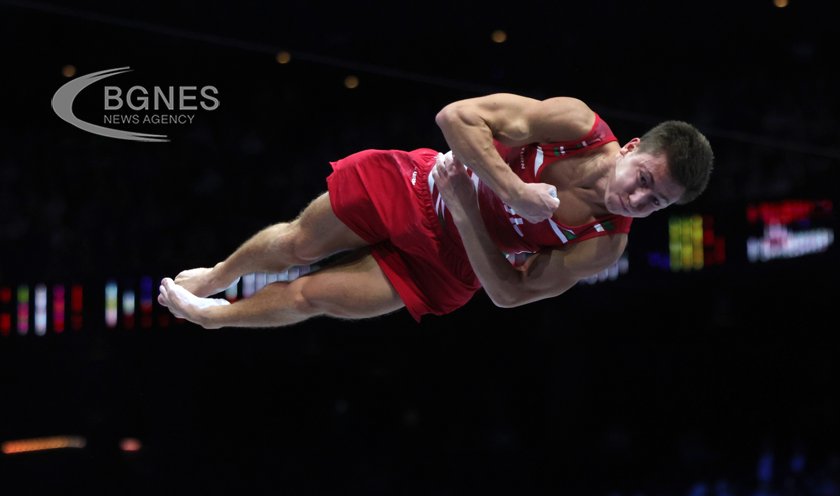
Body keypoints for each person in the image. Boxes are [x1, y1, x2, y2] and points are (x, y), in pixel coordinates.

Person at [157, 93, 713, 328]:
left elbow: (509, 294)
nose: (637, 201)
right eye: (643, 181)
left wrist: (469, 207)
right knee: (301, 243)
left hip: (453, 261)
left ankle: (214, 316)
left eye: (655, 203)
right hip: (417, 184)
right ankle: (220, 275)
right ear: (633, 148)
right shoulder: (576, 126)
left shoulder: (603, 243)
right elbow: (455, 118)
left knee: (313, 295)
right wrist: (515, 193)